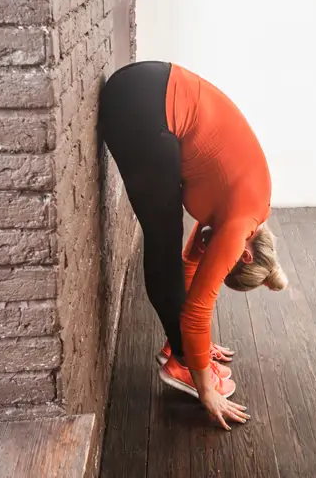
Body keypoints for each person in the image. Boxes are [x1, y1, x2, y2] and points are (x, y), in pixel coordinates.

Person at [98, 61, 289, 430]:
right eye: (228, 266)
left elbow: (190, 266)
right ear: (244, 255)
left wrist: (192, 337)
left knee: (168, 249)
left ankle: (183, 351)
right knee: (161, 244)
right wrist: (206, 389)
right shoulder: (238, 223)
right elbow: (198, 306)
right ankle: (183, 364)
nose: (218, 262)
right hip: (143, 106)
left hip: (143, 88)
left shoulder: (249, 202)